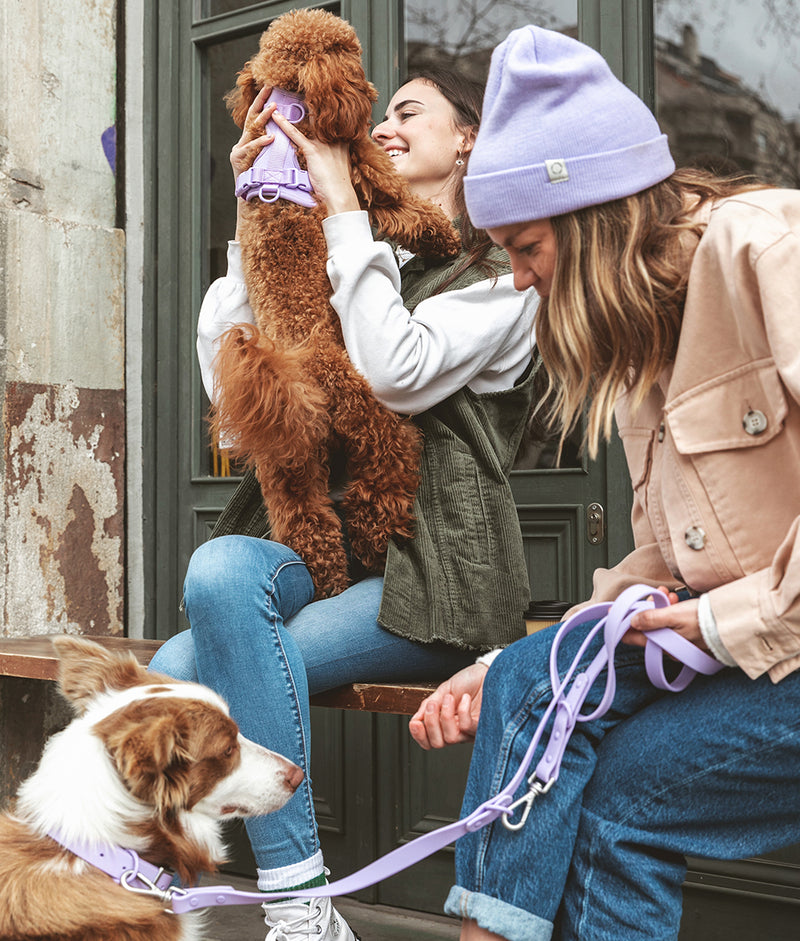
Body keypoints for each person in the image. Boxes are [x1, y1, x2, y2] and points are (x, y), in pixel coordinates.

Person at [407, 25, 800, 941]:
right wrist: (497, 664)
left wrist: (715, 620)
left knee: (592, 761)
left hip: (776, 644)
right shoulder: (646, 351)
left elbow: (717, 601)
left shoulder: (765, 250)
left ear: (591, 220)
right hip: (767, 659)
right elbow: (670, 556)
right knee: (547, 704)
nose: (516, 278)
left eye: (526, 246)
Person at [149, 66, 539, 941]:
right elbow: (231, 387)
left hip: (432, 576)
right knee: (218, 569)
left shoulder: (504, 276)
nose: (386, 127)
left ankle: (288, 896)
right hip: (325, 555)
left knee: (179, 671)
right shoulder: (345, 247)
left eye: (409, 111)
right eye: (381, 114)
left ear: (467, 137)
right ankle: (301, 897)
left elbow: (396, 371)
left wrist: (337, 200)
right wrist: (260, 225)